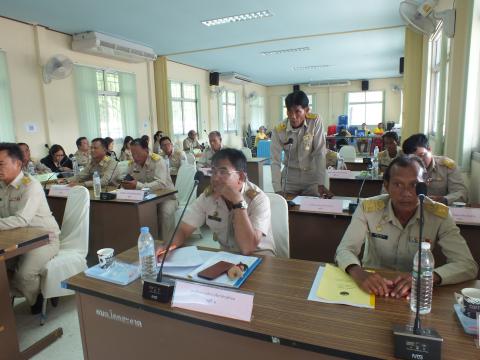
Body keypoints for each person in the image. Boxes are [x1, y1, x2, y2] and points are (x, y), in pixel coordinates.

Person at [335, 155, 478, 297]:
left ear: (426, 185)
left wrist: (428, 278)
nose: (406, 193)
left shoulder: (439, 215)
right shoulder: (368, 209)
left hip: (416, 292)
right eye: (397, 185)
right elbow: (345, 249)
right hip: (373, 287)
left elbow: (467, 265)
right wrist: (359, 274)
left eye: (415, 185)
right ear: (386, 186)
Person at [156, 148, 275, 257]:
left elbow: (248, 248)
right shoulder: (208, 197)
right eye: (213, 171)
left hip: (260, 256)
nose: (215, 178)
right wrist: (169, 245)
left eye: (223, 172)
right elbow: (183, 229)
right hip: (227, 256)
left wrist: (238, 202)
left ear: (241, 177)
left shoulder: (258, 199)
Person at [0, 143, 60, 314]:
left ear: (17, 164)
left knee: (23, 275)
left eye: (1, 164)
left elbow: (21, 219)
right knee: (3, 271)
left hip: (44, 239)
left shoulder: (30, 185)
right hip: (17, 239)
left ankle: (37, 297)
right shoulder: (1, 186)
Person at [271, 90, 331, 197]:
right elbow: (275, 161)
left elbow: (320, 152)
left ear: (306, 110)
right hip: (290, 178)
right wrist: (277, 189)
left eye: (297, 111)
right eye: (289, 111)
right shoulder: (279, 129)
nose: (293, 116)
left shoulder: (315, 121)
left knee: (313, 210)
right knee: (287, 209)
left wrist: (321, 182)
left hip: (311, 177)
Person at [122, 138, 177, 241]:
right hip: (146, 199)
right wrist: (126, 184)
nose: (135, 157)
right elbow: (127, 179)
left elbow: (160, 184)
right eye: (133, 154)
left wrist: (137, 185)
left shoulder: (158, 161)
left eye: (138, 154)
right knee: (132, 212)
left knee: (165, 212)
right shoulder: (132, 164)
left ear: (146, 150)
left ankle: (167, 244)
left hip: (167, 198)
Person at [402, 133, 468, 205]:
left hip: (440, 210)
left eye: (422, 155)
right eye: (414, 158)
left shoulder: (446, 167)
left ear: (430, 150)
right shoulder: (404, 168)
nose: (420, 160)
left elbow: (462, 193)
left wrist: (445, 200)